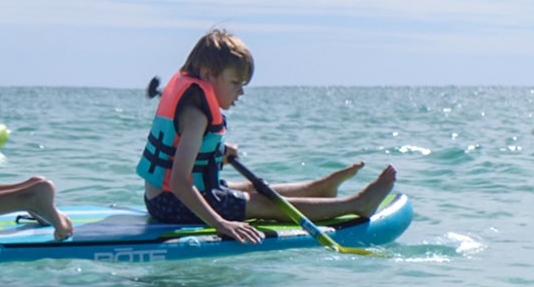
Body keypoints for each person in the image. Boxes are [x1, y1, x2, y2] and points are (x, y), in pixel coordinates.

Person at [137, 28, 398, 244]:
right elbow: (182, 182)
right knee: (262, 204)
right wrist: (221, 224)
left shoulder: (194, 107)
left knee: (248, 188)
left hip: (167, 198)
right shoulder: (196, 115)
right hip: (171, 203)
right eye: (235, 83)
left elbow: (185, 156)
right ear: (207, 75)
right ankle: (356, 205)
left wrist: (219, 152)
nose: (240, 92)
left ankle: (318, 189)